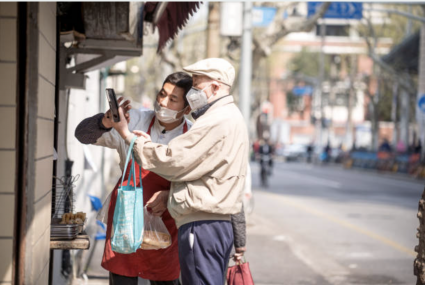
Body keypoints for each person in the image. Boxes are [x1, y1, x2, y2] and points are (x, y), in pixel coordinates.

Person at [110, 58, 249, 285]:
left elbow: (174, 160)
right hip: (213, 225)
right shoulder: (230, 116)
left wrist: (129, 137)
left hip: (202, 225)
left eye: (197, 84)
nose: (192, 90)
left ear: (215, 87)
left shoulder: (216, 120)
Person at [75, 72, 193, 285]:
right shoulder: (136, 120)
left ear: (187, 109)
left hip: (165, 228)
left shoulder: (192, 137)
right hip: (124, 222)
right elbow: (82, 134)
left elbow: (197, 185)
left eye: (172, 99)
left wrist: (170, 194)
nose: (162, 102)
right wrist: (104, 122)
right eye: (162, 94)